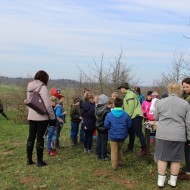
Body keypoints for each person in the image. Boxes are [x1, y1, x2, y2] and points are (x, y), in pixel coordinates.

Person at [154, 82, 190, 187]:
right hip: (178, 135)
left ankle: (160, 181)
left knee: (162, 157)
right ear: (180, 90)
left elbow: (156, 117)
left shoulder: (160, 102)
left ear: (169, 90)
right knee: (176, 158)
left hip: (163, 134)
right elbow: (188, 123)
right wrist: (189, 137)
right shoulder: (185, 104)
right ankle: (173, 181)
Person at [26, 70, 56, 167]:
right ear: (44, 78)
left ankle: (29, 160)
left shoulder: (29, 86)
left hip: (31, 115)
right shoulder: (42, 87)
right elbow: (47, 105)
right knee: (40, 138)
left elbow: (29, 101)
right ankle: (39, 161)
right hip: (41, 117)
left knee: (31, 137)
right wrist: (52, 117)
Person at [117, 83, 147, 155]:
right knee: (131, 132)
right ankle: (130, 148)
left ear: (124, 88)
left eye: (121, 88)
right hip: (132, 116)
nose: (120, 90)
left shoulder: (130, 94)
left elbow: (131, 107)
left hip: (136, 116)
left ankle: (144, 149)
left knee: (138, 132)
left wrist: (126, 117)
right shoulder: (127, 95)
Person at [104, 98, 132, 170]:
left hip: (113, 136)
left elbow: (106, 125)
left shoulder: (109, 115)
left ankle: (114, 165)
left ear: (114, 105)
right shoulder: (126, 115)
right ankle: (121, 162)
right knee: (119, 149)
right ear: (122, 105)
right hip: (122, 135)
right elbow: (129, 124)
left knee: (114, 150)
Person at [178, 77, 190, 180]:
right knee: (186, 148)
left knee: (188, 149)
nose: (185, 88)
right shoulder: (185, 97)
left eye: (187, 86)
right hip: (185, 126)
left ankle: (188, 173)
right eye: (184, 87)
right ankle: (187, 167)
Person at [95, 94, 112, 161]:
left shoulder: (97, 107)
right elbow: (107, 118)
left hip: (98, 126)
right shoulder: (107, 110)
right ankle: (104, 155)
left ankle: (98, 154)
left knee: (99, 140)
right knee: (104, 142)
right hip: (104, 127)